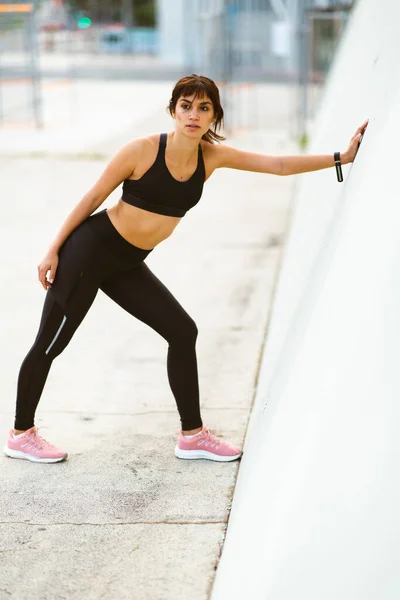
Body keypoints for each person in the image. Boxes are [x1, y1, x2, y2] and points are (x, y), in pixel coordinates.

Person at [3, 74, 368, 464]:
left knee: (181, 330)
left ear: (215, 115)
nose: (194, 115)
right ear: (173, 110)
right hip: (87, 255)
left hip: (126, 262)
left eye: (204, 108)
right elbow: (93, 197)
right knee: (52, 342)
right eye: (186, 106)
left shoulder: (211, 157)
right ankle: (20, 433)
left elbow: (276, 164)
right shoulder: (141, 151)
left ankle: (192, 435)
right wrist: (53, 249)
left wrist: (339, 158)